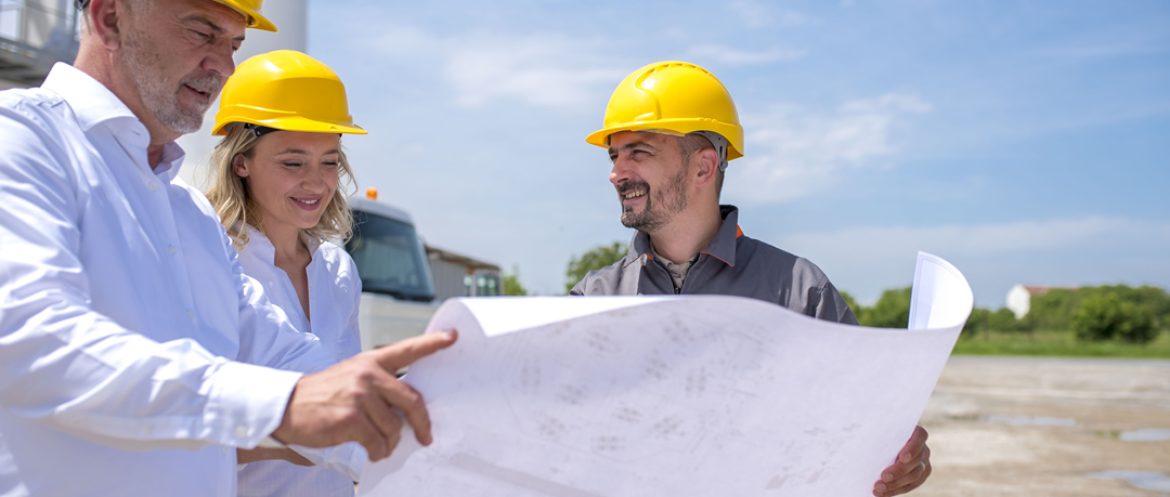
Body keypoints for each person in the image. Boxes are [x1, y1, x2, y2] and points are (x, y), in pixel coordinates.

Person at [0, 1, 453, 496]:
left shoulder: (190, 216)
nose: (224, 66)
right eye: (202, 32)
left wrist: (437, 426)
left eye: (234, 44)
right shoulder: (21, 140)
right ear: (111, 18)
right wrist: (281, 408)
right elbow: (28, 339)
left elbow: (279, 353)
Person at [571, 60, 931, 497]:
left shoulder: (800, 291)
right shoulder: (592, 300)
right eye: (614, 155)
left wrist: (897, 458)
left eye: (638, 152)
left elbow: (866, 430)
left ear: (703, 167)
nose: (617, 173)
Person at [204, 49, 367, 497]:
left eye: (330, 161)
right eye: (293, 163)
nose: (316, 182)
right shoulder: (212, 260)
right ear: (241, 161)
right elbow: (179, 423)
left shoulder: (338, 271)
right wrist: (299, 439)